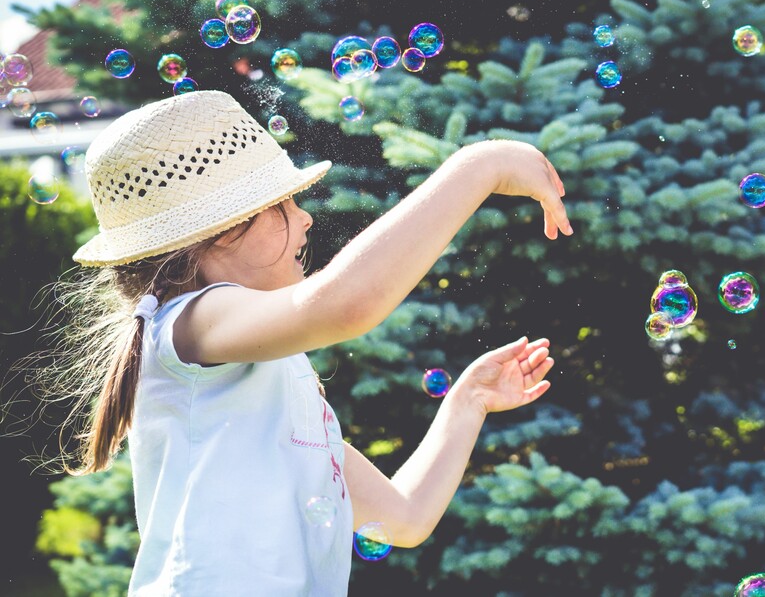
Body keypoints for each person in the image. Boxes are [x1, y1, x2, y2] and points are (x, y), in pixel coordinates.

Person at [52, 90, 573, 595]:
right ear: (222, 231)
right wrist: (481, 166)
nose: (305, 217)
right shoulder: (189, 321)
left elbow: (404, 518)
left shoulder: (270, 384)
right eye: (281, 202)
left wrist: (469, 401)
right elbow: (347, 303)